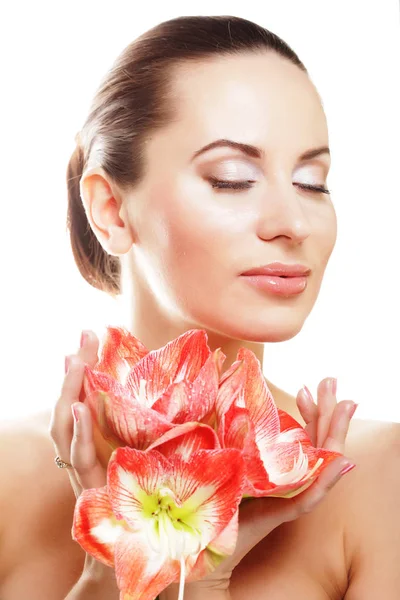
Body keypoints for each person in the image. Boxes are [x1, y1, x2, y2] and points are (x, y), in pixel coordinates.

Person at [0, 14, 398, 600]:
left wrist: (206, 583)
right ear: (111, 210)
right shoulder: (8, 479)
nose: (292, 223)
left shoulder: (378, 480)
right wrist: (113, 570)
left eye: (312, 181)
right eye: (232, 178)